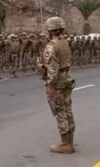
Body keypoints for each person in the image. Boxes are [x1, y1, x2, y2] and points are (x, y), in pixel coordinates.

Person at [39, 16, 75, 154]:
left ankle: (65, 144)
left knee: (60, 111)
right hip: (67, 78)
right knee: (67, 109)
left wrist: (50, 86)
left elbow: (52, 68)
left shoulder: (52, 45)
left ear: (51, 30)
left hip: (58, 81)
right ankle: (70, 142)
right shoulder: (65, 42)